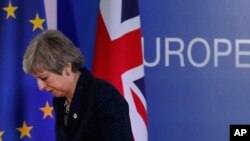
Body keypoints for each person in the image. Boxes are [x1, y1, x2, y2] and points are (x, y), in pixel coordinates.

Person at [22, 30, 133, 141]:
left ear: (67, 67)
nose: (41, 86)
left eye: (44, 78)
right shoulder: (60, 102)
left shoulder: (104, 96)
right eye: (37, 79)